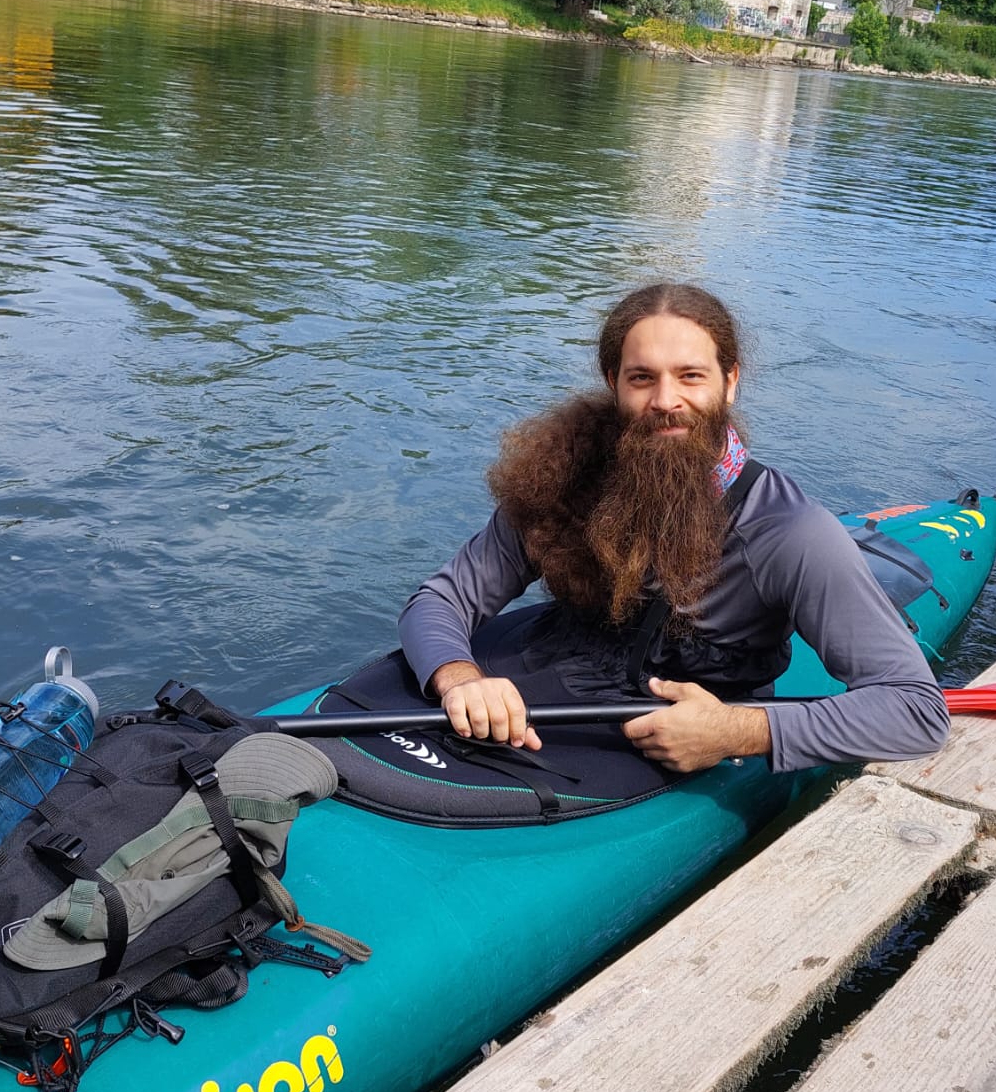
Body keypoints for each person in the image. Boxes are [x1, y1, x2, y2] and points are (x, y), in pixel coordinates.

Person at [398, 283, 950, 776]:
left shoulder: (792, 534)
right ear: (613, 383)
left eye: (691, 376)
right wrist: (460, 679)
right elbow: (439, 600)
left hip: (677, 743)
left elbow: (917, 711)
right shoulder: (561, 480)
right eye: (642, 378)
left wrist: (742, 731)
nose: (666, 401)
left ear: (730, 382)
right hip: (554, 685)